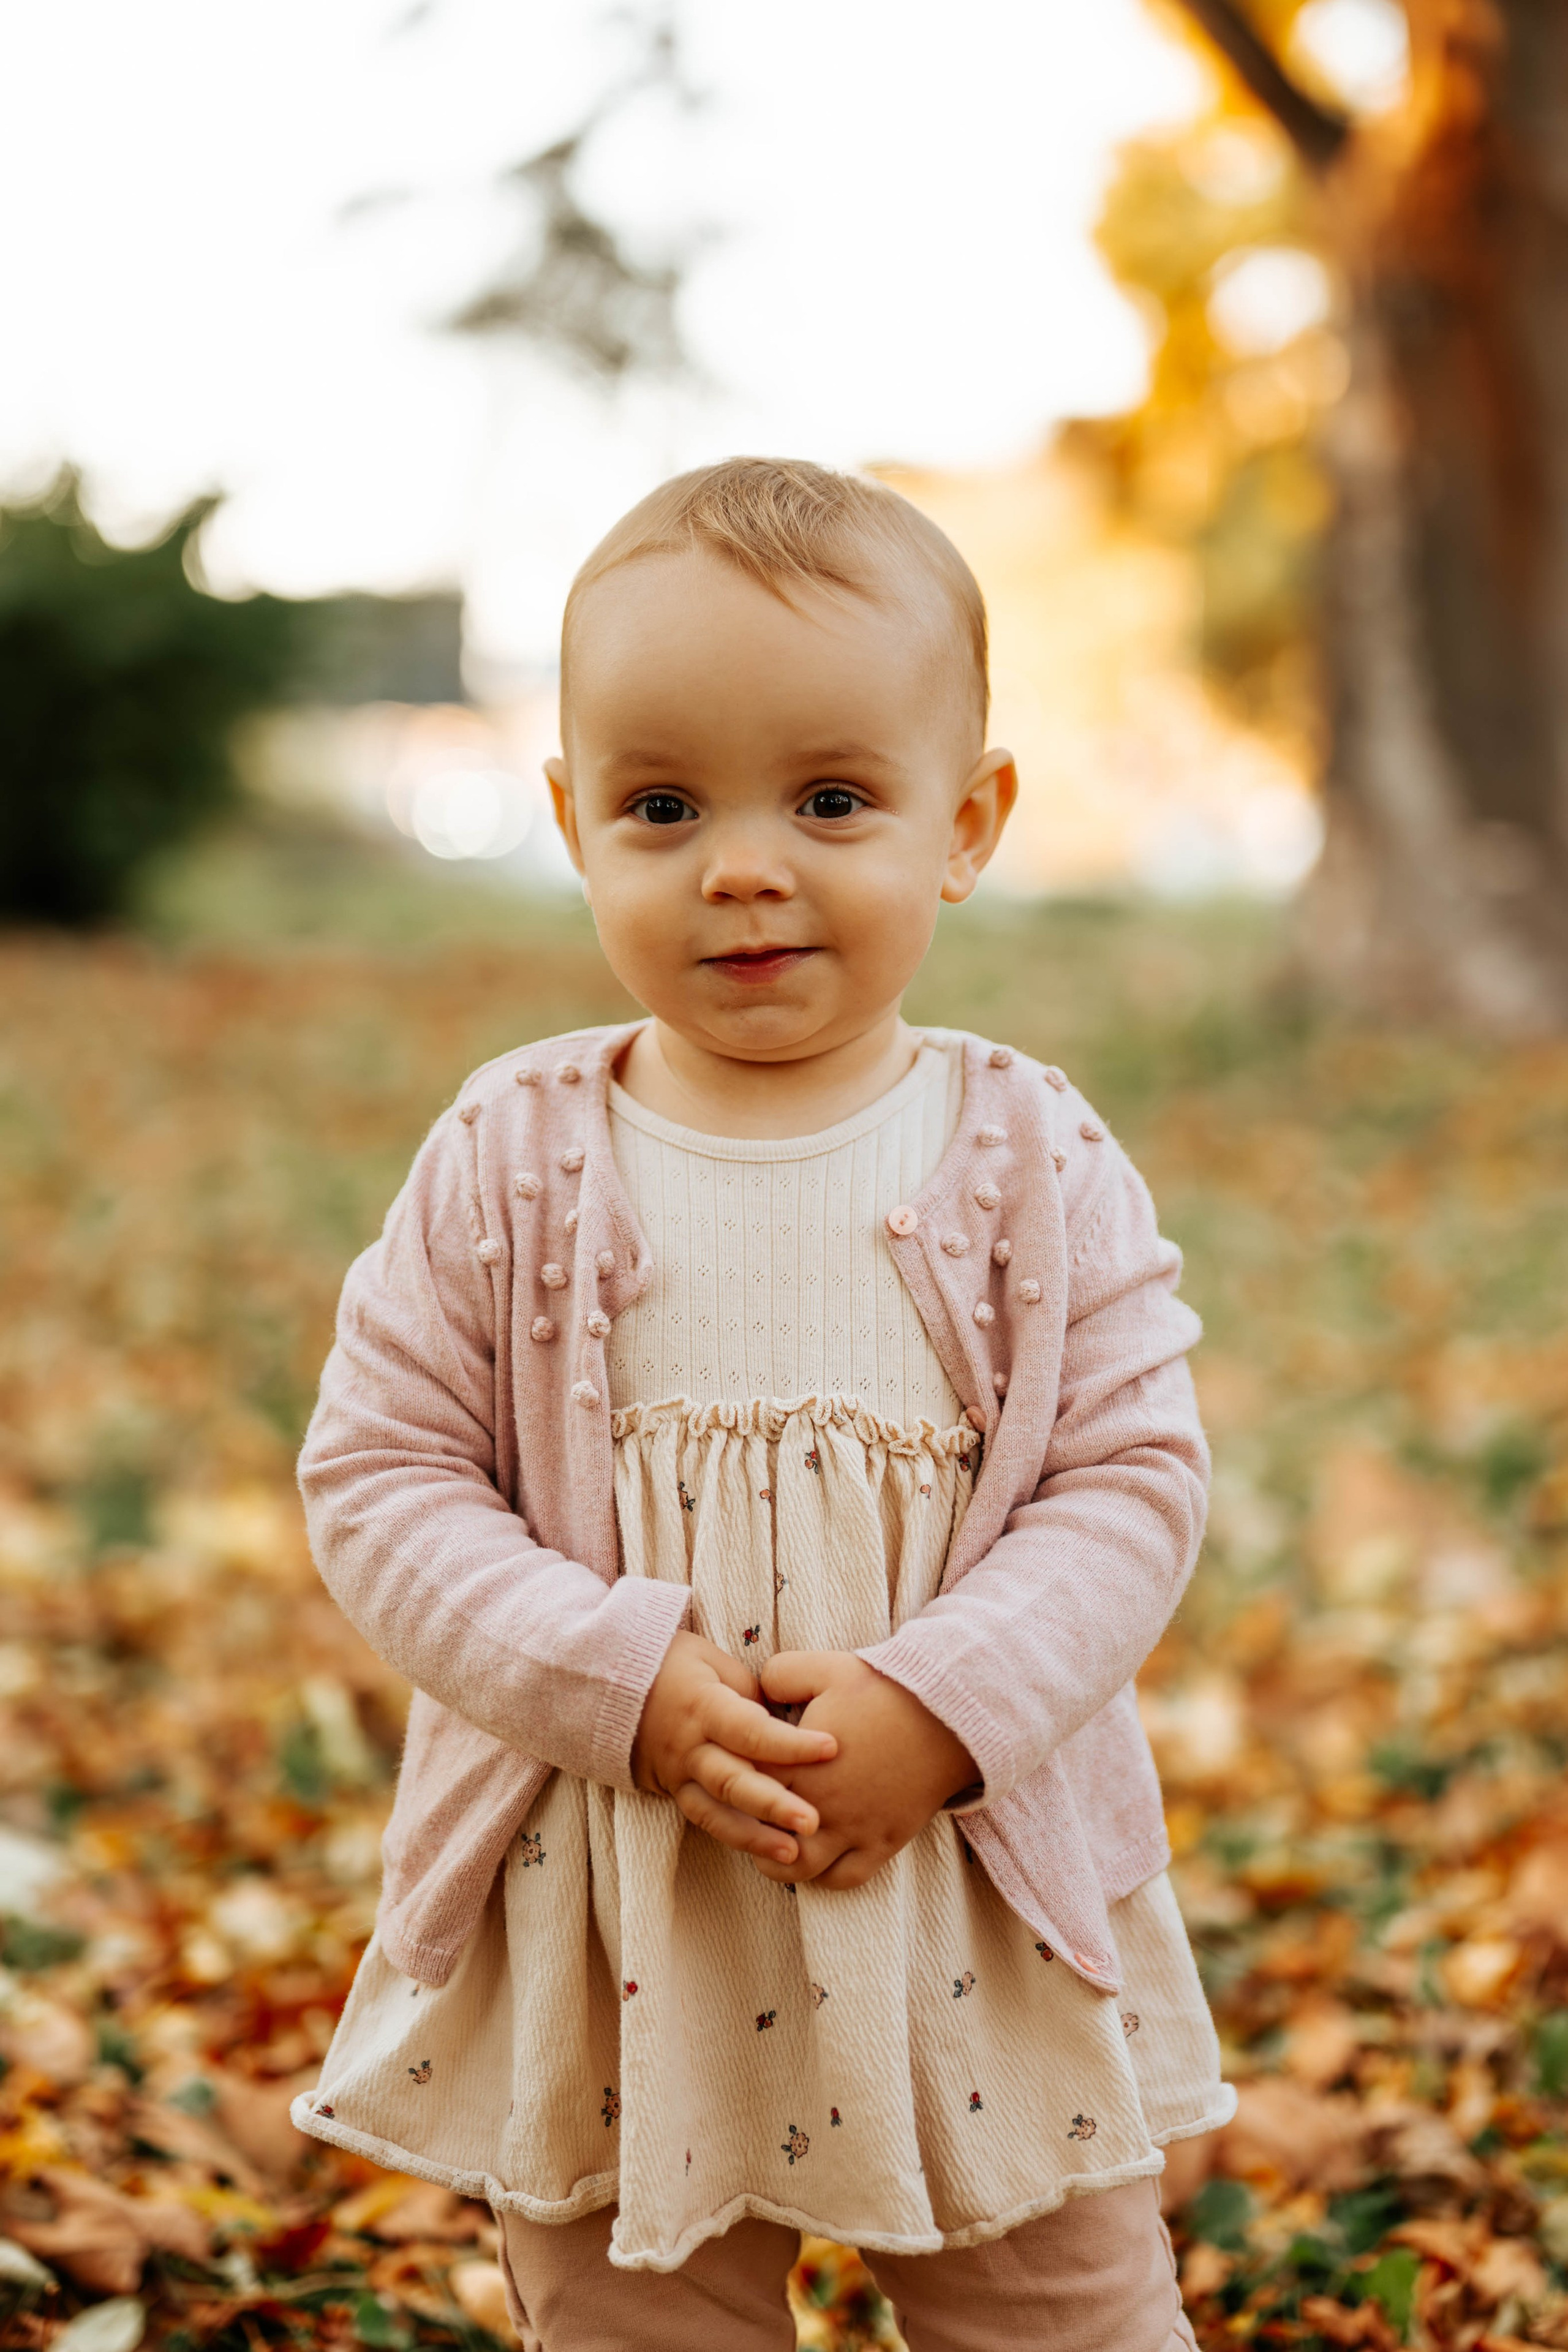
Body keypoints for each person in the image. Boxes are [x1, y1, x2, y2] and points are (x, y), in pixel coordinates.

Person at [291, 458, 1234, 2351]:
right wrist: (609, 1679)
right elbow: (383, 1475)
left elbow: (1132, 1478)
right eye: (662, 805)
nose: (743, 864)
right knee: (641, 2318)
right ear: (573, 824)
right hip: (619, 1902)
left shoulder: (1027, 1150)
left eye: (829, 800)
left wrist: (942, 1706)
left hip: (964, 1887)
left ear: (964, 825)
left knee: (1059, 2310)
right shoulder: (513, 1152)